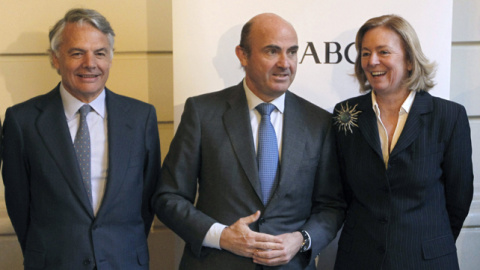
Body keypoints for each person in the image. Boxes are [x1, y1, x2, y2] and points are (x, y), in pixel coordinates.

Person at [152, 13, 345, 269]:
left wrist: (301, 240)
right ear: (243, 55)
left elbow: (331, 205)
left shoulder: (319, 122)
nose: (285, 63)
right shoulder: (202, 113)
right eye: (272, 51)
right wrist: (222, 236)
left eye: (292, 52)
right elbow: (168, 197)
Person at [2, 8, 160, 270]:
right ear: (55, 59)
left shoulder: (142, 116)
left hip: (124, 262)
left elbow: (148, 198)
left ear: (110, 58)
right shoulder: (22, 121)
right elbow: (19, 203)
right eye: (77, 53)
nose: (90, 63)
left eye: (100, 53)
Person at [332, 14, 473, 270]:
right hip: (359, 259)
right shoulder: (345, 114)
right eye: (365, 53)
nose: (372, 61)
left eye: (383, 51)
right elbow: (339, 194)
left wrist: (429, 243)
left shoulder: (449, 116)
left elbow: (459, 197)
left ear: (409, 60)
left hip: (427, 261)